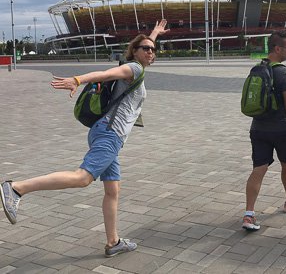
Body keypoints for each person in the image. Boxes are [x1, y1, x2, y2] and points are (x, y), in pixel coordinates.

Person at [0, 20, 169, 257]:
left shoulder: (137, 66)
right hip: (110, 135)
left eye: (154, 49)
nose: (151, 52)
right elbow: (105, 73)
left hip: (108, 134)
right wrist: (77, 80)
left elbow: (143, 47)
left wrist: (154, 34)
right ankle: (16, 188)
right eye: (146, 49)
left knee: (113, 190)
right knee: (82, 178)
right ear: (135, 52)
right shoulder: (134, 69)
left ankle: (113, 242)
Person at [242, 32, 286, 231]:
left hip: (258, 128)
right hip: (281, 129)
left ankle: (249, 214)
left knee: (259, 168)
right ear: (277, 49)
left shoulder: (257, 68)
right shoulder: (283, 72)